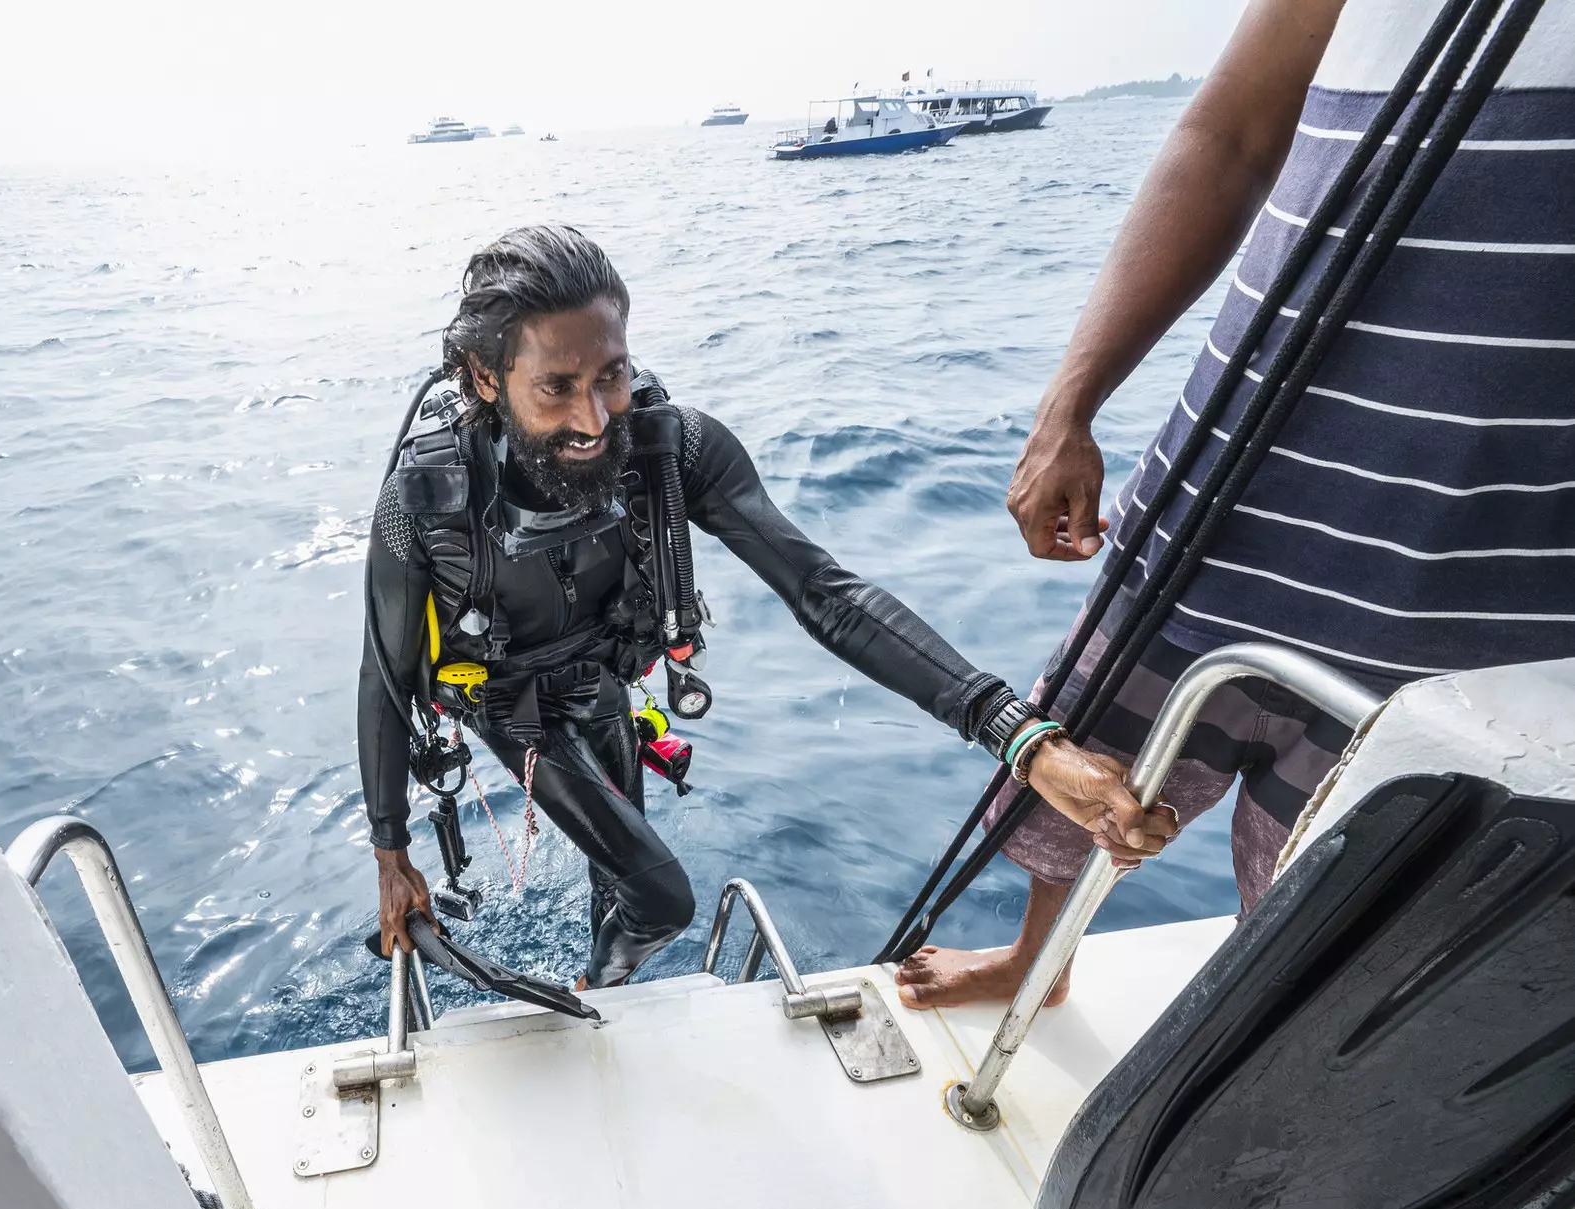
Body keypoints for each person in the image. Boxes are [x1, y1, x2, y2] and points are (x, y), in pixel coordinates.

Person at [895, 0, 1575, 1008]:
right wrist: (1069, 404)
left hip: (1483, 562)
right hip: (1226, 492)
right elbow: (1225, 137)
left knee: (1346, 883)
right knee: (1094, 745)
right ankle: (1040, 963)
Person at [360, 225, 1178, 989]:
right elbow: (386, 681)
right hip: (507, 700)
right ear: (484, 377)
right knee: (662, 901)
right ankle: (596, 990)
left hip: (605, 676)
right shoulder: (425, 501)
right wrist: (391, 853)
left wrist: (1019, 737)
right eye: (556, 388)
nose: (594, 417)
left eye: (610, 374)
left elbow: (825, 594)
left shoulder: (673, 447)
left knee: (624, 887)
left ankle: (604, 982)